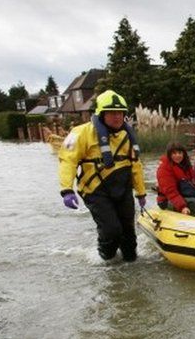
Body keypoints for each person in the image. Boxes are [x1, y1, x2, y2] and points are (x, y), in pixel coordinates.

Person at [58, 90, 146, 261]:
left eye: (120, 113)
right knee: (111, 230)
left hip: (122, 188)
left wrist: (141, 192)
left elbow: (136, 165)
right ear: (101, 114)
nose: (117, 117)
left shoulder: (126, 136)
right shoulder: (80, 133)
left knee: (129, 233)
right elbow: (67, 161)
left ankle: (130, 262)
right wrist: (67, 190)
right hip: (96, 190)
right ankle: (106, 259)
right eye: (112, 113)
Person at [156, 142, 195, 215]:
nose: (178, 155)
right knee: (192, 202)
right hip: (167, 200)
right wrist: (182, 207)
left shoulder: (186, 166)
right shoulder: (164, 169)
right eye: (174, 153)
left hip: (184, 194)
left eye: (180, 153)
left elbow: (194, 179)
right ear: (169, 155)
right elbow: (170, 191)